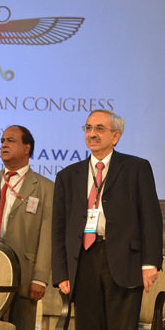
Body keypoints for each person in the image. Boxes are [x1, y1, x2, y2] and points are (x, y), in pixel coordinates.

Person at [52, 109, 163, 330]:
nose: (92, 133)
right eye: (88, 128)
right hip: (83, 259)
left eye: (99, 128)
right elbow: (58, 228)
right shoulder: (67, 175)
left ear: (115, 136)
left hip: (125, 261)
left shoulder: (136, 168)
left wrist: (150, 263)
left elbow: (151, 217)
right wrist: (61, 272)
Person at [0, 125, 54, 330]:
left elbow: (48, 237)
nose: (4, 145)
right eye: (2, 141)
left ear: (26, 148)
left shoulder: (46, 188)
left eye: (10, 141)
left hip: (24, 273)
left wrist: (40, 278)